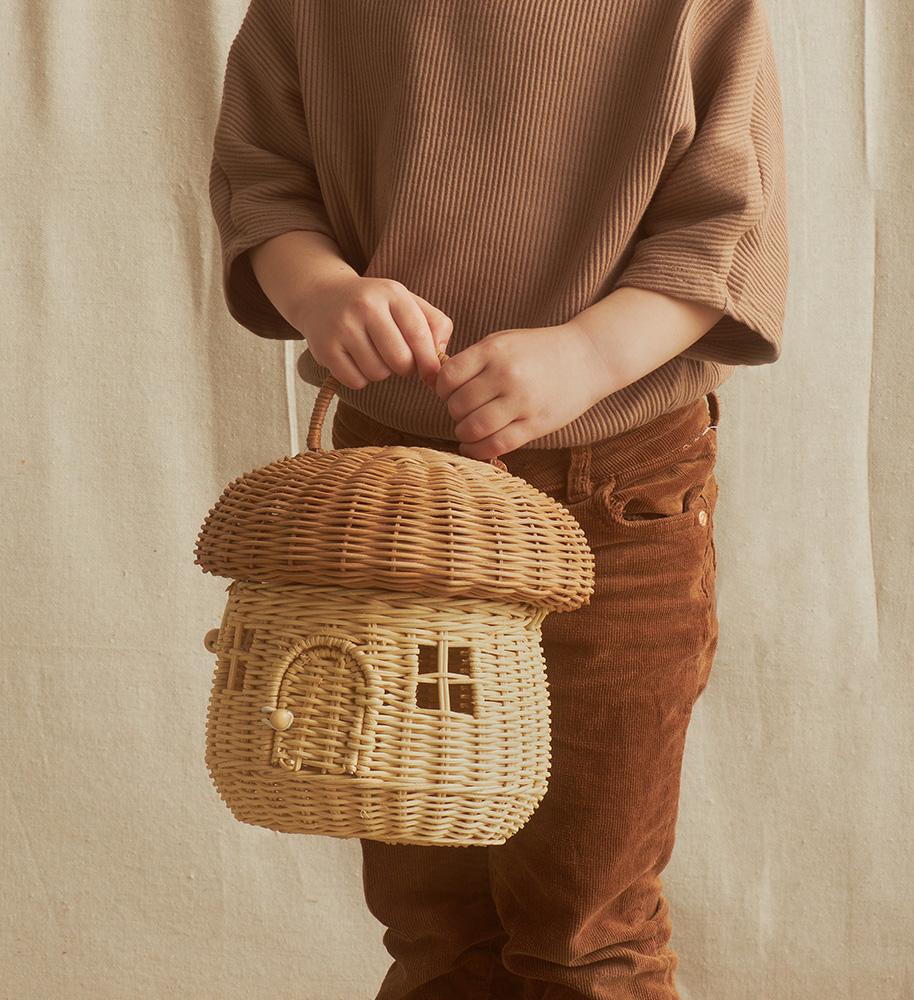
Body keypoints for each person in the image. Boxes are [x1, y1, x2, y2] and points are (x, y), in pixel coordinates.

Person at [208, 1, 789, 997]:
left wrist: (591, 354)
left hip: (616, 487)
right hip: (392, 502)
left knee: (584, 925)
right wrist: (322, 293)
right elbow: (265, 175)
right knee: (434, 925)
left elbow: (727, 225)